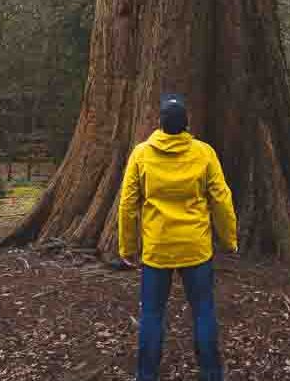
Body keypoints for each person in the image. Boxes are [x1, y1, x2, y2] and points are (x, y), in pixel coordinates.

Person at [118, 93, 238, 381]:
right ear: (186, 124)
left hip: (157, 249)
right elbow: (221, 199)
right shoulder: (203, 152)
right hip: (195, 249)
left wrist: (128, 246)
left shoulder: (142, 153)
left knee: (152, 315)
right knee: (203, 312)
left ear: (159, 123)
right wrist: (229, 238)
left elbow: (127, 203)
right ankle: (211, 375)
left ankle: (146, 376)